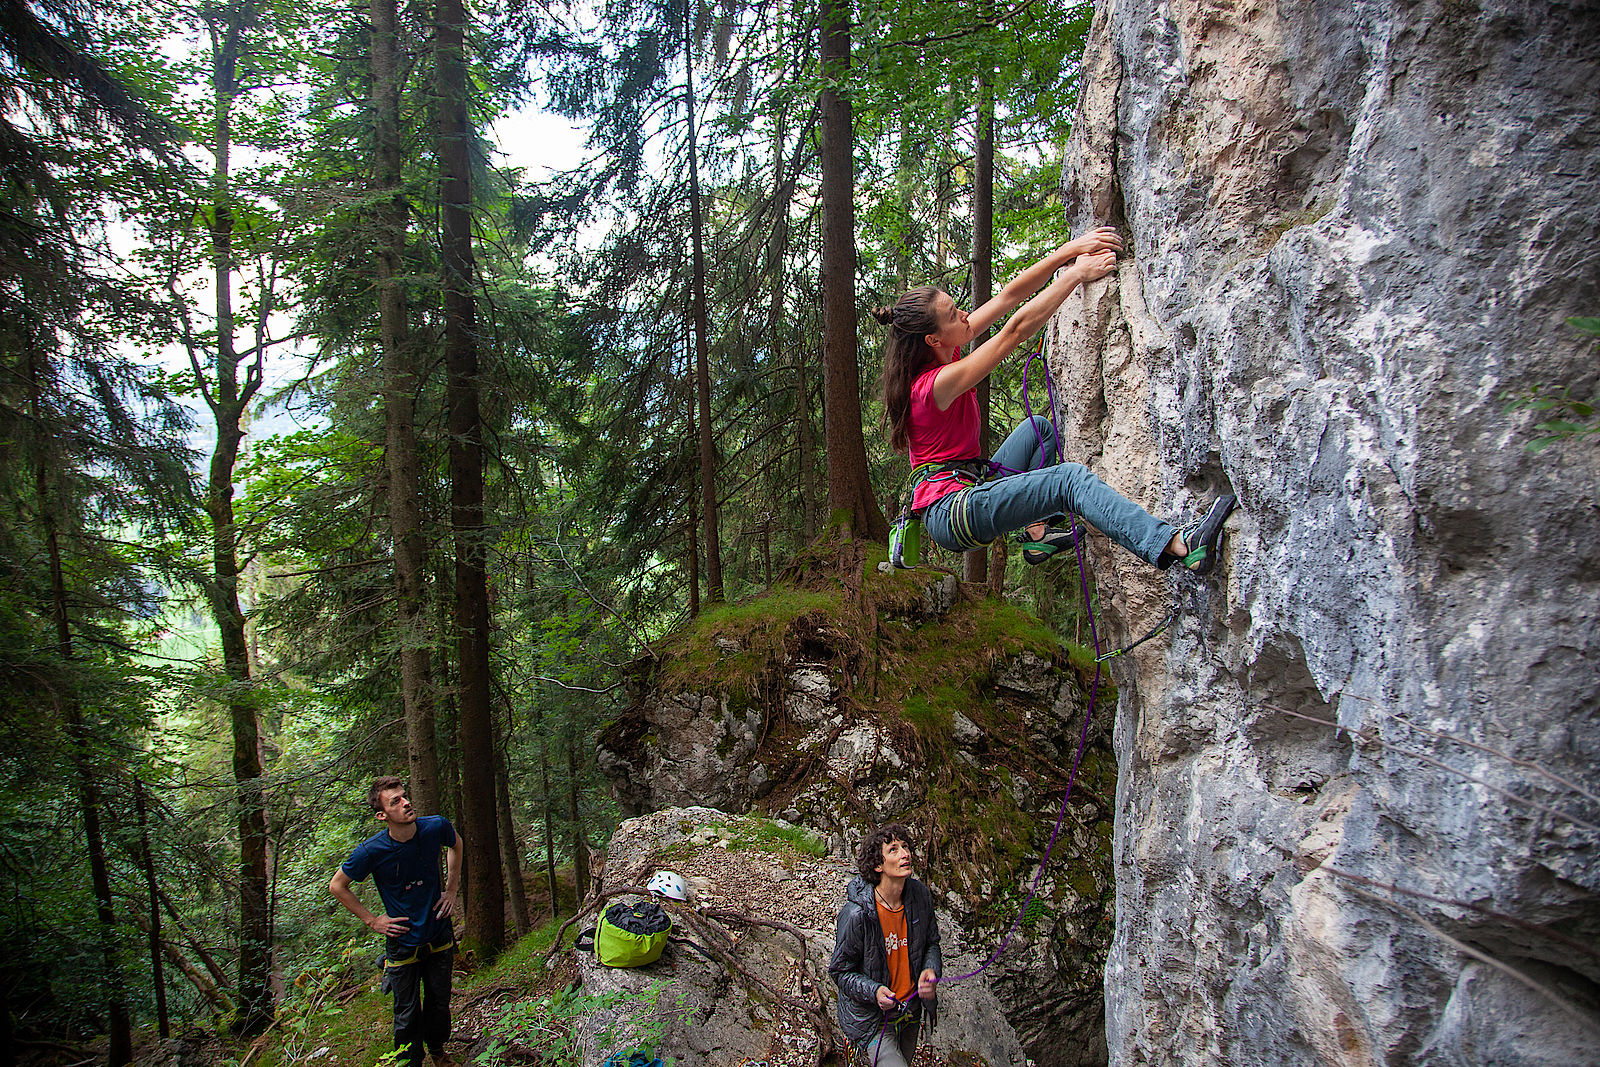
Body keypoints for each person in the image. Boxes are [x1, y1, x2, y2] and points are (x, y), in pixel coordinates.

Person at [874, 226, 1235, 572]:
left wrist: (1070, 250)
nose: (965, 316)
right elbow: (1013, 331)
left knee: (1039, 430)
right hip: (951, 511)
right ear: (932, 340)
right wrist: (1074, 276)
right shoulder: (934, 385)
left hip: (968, 486)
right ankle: (1180, 545)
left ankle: (1037, 535)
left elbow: (1008, 298)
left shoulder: (948, 347)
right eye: (954, 315)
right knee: (1068, 481)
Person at [329, 777, 464, 1067]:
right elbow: (337, 885)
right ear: (382, 815)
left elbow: (456, 844)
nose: (406, 803)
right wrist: (373, 921)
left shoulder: (434, 826)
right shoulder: (370, 851)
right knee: (406, 1013)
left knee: (440, 1002)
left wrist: (451, 890)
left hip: (438, 931)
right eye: (395, 801)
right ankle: (409, 1063)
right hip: (402, 942)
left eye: (404, 797)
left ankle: (439, 1052)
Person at [829, 824, 941, 1067]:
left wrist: (930, 971)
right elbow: (840, 971)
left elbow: (932, 943)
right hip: (872, 1019)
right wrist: (875, 992)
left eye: (906, 847)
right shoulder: (857, 914)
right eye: (894, 850)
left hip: (909, 1011)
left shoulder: (920, 896)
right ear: (878, 866)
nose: (905, 853)